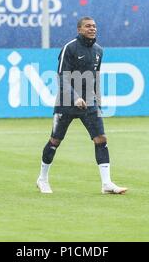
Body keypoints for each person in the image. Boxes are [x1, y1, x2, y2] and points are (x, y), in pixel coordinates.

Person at [36, 16, 128, 194]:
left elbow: (96, 77)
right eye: (87, 26)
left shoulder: (99, 51)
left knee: (101, 139)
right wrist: (75, 97)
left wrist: (98, 101)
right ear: (79, 29)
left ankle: (107, 183)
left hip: (89, 103)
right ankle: (42, 179)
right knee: (55, 140)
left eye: (94, 26)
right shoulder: (69, 48)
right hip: (66, 102)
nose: (92, 29)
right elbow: (62, 77)